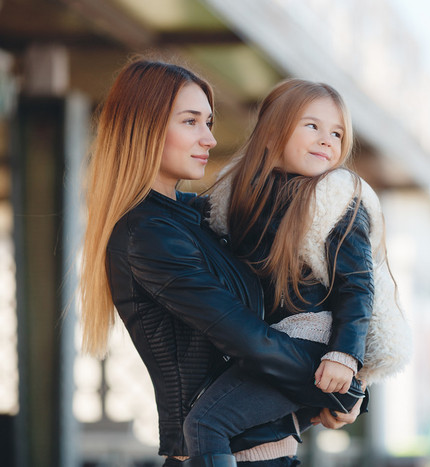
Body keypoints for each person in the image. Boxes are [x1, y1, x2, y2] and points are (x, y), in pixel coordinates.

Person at [79, 58, 362, 467]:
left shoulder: (199, 216)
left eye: (208, 122)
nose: (209, 139)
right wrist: (339, 388)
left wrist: (339, 373)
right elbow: (247, 338)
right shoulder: (148, 234)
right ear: (144, 127)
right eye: (191, 121)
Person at [186, 78, 412, 461]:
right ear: (273, 132)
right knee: (250, 443)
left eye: (337, 133)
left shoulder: (335, 199)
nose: (327, 139)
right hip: (269, 344)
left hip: (312, 345)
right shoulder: (239, 197)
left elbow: (357, 286)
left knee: (205, 425)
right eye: (313, 126)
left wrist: (344, 356)